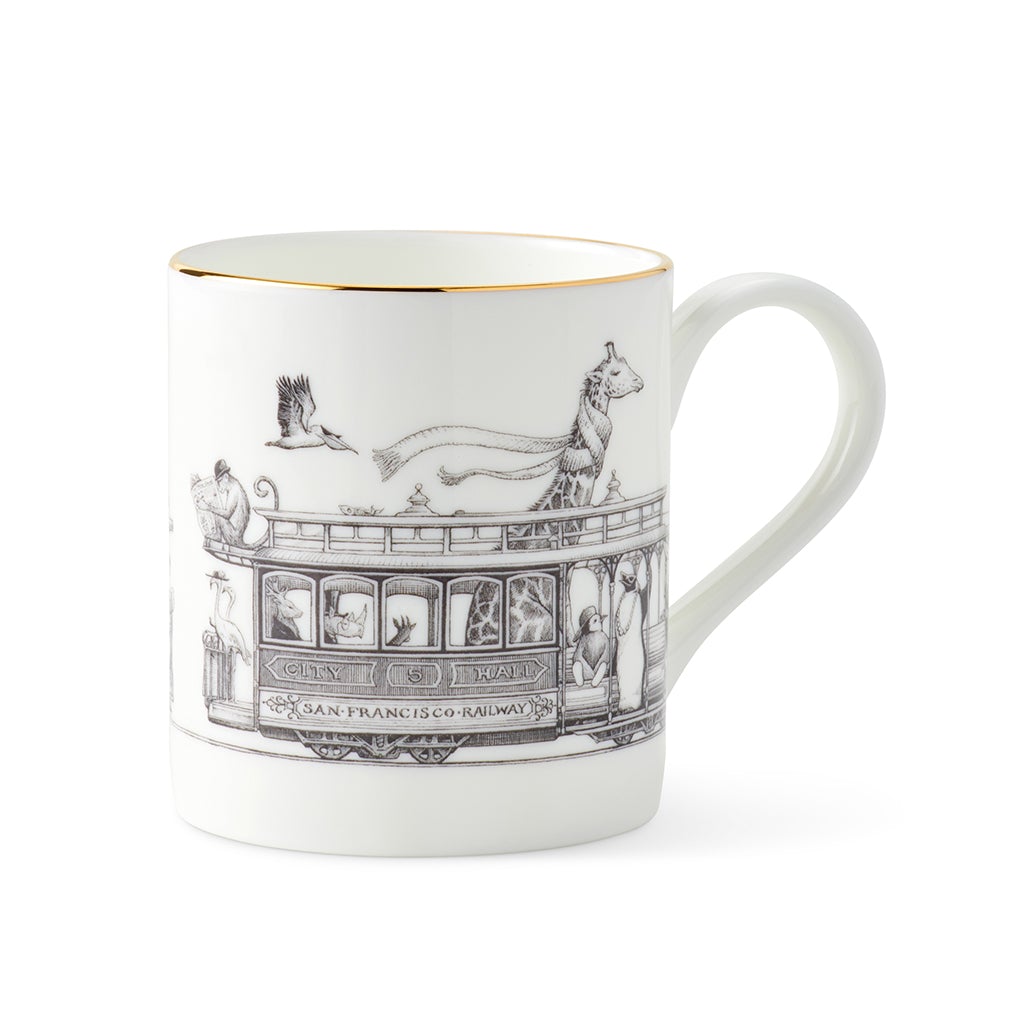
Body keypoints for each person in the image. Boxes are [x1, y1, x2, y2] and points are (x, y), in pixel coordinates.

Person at [614, 561, 646, 712]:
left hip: (632, 644)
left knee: (632, 668)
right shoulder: (624, 598)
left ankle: (633, 703)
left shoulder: (635, 599)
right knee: (623, 670)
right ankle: (623, 702)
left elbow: (634, 624)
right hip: (623, 645)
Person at [200, 459, 251, 546]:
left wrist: (208, 507)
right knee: (217, 511)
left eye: (219, 481)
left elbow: (227, 514)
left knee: (218, 515)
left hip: (234, 536)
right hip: (234, 530)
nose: (219, 486)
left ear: (226, 477)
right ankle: (217, 536)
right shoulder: (233, 486)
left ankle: (217, 537)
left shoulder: (235, 489)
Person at [572, 606, 609, 688]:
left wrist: (600, 664)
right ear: (587, 626)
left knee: (603, 665)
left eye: (599, 620)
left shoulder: (604, 637)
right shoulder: (584, 638)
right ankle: (579, 680)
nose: (599, 623)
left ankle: (596, 680)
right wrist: (586, 667)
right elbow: (578, 655)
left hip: (598, 668)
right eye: (595, 621)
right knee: (577, 665)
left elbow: (606, 654)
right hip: (586, 670)